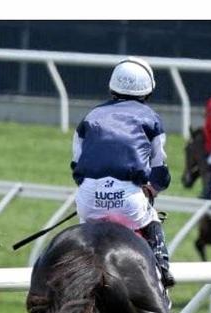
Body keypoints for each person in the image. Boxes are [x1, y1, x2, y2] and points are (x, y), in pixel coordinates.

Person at [72, 56, 175, 289]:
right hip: (129, 201)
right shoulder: (151, 119)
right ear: (148, 91)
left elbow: (76, 167)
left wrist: (93, 187)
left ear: (111, 87)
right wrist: (154, 187)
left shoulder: (90, 116)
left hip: (89, 197)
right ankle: (162, 267)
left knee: (83, 229)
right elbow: (160, 168)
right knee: (151, 219)